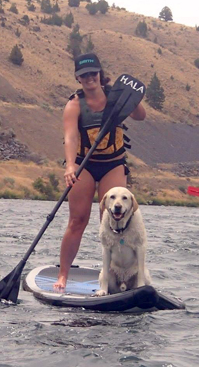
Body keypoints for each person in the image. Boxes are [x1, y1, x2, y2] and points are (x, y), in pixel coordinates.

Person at [53, 53, 146, 291]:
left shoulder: (114, 97)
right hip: (84, 164)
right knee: (77, 220)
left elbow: (140, 116)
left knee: (111, 221)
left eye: (93, 73)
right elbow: (70, 136)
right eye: (84, 75)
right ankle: (63, 275)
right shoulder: (74, 104)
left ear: (99, 73)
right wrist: (71, 165)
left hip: (113, 163)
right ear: (78, 77)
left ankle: (118, 275)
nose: (89, 78)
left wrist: (130, 98)